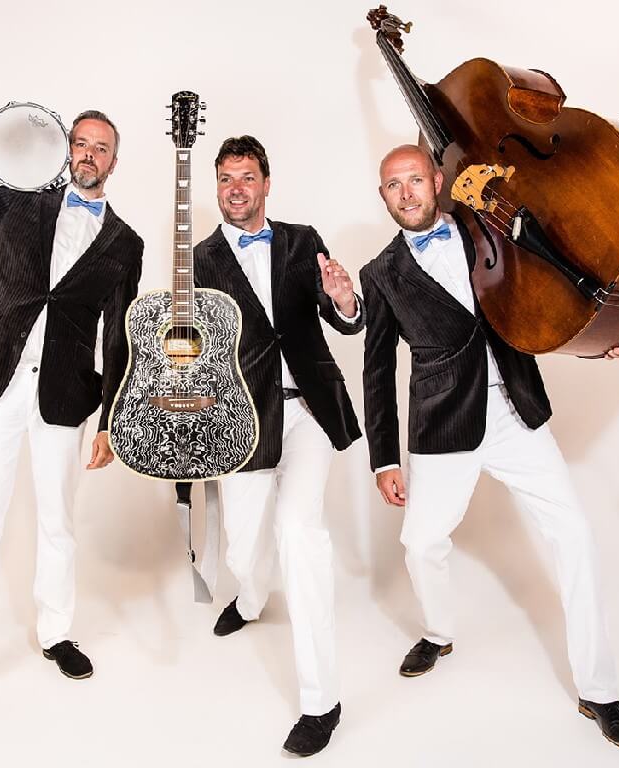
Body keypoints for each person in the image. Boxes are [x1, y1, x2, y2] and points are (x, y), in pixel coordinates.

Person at [360, 144, 619, 753]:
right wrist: (384, 457)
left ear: (437, 180)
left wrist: (602, 340)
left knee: (574, 534)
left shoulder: (484, 227)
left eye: (415, 179)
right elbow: (377, 370)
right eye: (393, 185)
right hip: (444, 425)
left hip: (517, 412)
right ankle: (439, 632)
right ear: (382, 196)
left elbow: (544, 296)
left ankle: (599, 691)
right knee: (420, 543)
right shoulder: (379, 273)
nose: (406, 193)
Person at [0, 110, 143, 718]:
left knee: (58, 522)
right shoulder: (17, 201)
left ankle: (56, 633)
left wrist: (111, 419)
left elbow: (119, 336)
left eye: (101, 148)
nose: (89, 154)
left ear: (114, 162)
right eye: (81, 143)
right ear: (65, 151)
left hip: (65, 394)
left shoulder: (126, 243)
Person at [192, 135, 363, 756]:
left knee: (298, 532)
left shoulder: (300, 238)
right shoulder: (199, 258)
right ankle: (251, 596)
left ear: (266, 183)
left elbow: (343, 316)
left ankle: (322, 702)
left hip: (309, 411)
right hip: (242, 417)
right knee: (245, 548)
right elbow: (195, 347)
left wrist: (344, 299)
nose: (236, 189)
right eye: (226, 179)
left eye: (247, 177)